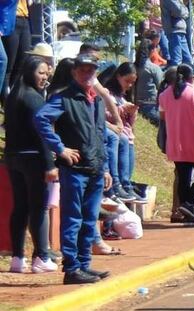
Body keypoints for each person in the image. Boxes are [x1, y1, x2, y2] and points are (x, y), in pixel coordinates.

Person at [34, 53, 112, 285]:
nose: (87, 73)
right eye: (83, 69)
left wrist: (105, 167)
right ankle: (72, 267)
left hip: (95, 168)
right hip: (75, 169)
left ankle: (84, 264)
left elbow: (100, 135)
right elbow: (41, 119)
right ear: (74, 72)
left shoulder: (96, 100)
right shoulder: (64, 98)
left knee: (89, 219)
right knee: (73, 219)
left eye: (91, 70)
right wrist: (60, 148)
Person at [5, 56, 57, 273]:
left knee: (20, 207)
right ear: (29, 73)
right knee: (39, 208)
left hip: (13, 157)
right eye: (40, 72)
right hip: (34, 159)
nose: (45, 77)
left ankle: (17, 257)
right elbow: (41, 135)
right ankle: (42, 257)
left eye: (46, 73)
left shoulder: (13, 96)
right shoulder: (34, 99)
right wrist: (49, 165)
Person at [158, 63, 194, 223]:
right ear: (192, 77)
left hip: (176, 142)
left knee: (183, 176)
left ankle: (185, 208)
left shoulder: (165, 95)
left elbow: (162, 116)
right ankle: (188, 203)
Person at [104, 62, 142, 203]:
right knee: (122, 142)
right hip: (117, 135)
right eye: (127, 81)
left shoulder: (123, 97)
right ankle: (118, 185)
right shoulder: (107, 94)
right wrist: (121, 110)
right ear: (118, 76)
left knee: (127, 170)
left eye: (132, 83)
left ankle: (126, 185)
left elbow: (129, 125)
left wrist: (132, 113)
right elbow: (103, 116)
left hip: (127, 136)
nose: (129, 85)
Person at [1, 0, 30, 106]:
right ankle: (5, 101)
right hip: (11, 19)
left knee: (22, 62)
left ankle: (13, 98)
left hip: (25, 19)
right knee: (9, 64)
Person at [134, 38, 164, 125]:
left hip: (137, 104)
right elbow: (161, 87)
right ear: (151, 51)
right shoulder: (153, 68)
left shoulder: (133, 66)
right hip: (151, 105)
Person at [161, 0, 192, 66]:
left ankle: (187, 75)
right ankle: (175, 76)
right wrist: (183, 10)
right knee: (177, 61)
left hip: (180, 31)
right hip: (174, 31)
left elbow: (186, 13)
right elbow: (178, 11)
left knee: (187, 60)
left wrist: (183, 10)